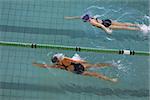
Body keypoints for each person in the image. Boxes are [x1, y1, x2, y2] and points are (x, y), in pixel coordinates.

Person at [32, 53, 118, 83]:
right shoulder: (58, 66)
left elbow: (75, 61)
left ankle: (111, 64)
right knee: (96, 74)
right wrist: (37, 64)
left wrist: (82, 62)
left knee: (96, 65)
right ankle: (111, 80)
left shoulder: (65, 59)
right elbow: (46, 66)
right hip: (78, 71)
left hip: (80, 66)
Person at [64, 14, 141, 34]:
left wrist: (107, 30)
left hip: (107, 25)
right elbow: (78, 17)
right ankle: (138, 25)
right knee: (124, 24)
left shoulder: (91, 22)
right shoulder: (91, 17)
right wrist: (69, 18)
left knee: (124, 28)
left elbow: (101, 25)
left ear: (86, 20)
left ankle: (139, 29)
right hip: (107, 21)